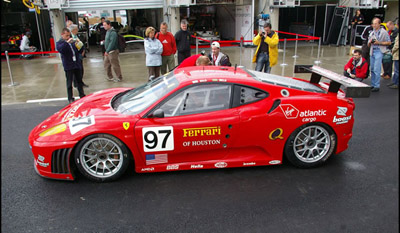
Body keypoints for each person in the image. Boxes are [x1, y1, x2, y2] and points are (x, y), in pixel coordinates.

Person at [56, 28, 85, 104]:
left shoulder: (72, 42)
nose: (68, 37)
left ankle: (82, 94)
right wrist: (67, 43)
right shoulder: (60, 43)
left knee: (79, 81)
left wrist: (80, 44)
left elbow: (79, 50)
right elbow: (61, 50)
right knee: (69, 82)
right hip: (68, 65)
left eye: (69, 35)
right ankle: (70, 97)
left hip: (76, 63)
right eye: (66, 36)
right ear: (62, 35)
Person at [368, 18, 391, 92]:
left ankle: (376, 85)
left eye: (375, 24)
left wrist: (379, 42)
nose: (374, 25)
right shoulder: (372, 32)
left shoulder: (384, 32)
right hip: (372, 51)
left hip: (379, 51)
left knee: (376, 69)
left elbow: (389, 42)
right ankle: (373, 84)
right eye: (373, 24)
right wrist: (370, 42)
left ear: (379, 24)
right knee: (372, 69)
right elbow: (368, 43)